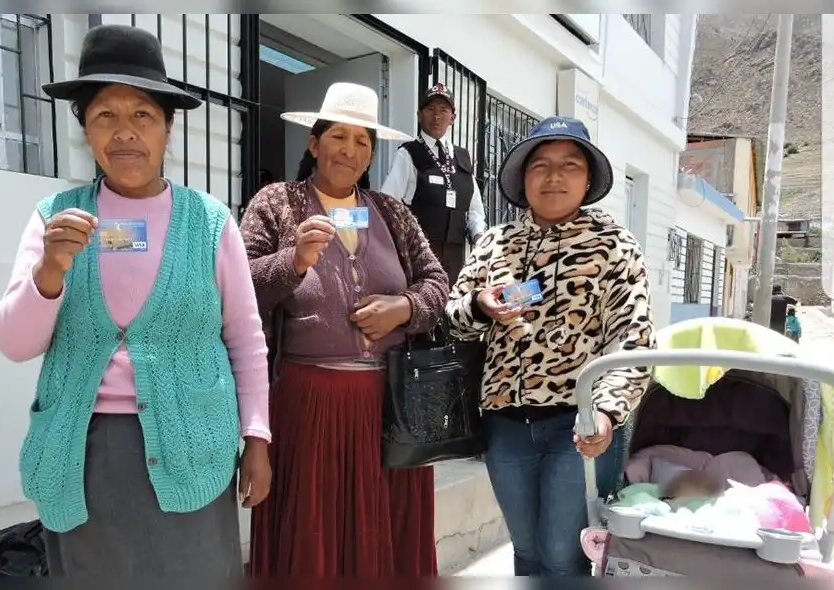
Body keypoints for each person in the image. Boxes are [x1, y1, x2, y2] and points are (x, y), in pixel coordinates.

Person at [0, 25, 271, 577]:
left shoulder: (210, 222)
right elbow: (11, 342)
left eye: (141, 115)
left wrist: (255, 436)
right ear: (86, 132)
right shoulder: (53, 219)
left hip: (193, 446)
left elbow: (244, 336)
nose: (124, 134)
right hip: (85, 452)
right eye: (104, 117)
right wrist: (50, 272)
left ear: (167, 127)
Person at [240, 82, 449, 577]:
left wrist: (404, 307)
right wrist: (293, 261)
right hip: (307, 406)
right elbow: (239, 284)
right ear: (314, 144)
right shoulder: (277, 203)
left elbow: (437, 281)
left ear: (372, 152)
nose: (349, 150)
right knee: (313, 536)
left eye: (361, 140)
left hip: (387, 408)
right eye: (338, 136)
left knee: (383, 537)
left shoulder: (392, 212)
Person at [446, 116, 656, 576]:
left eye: (569, 165)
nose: (554, 176)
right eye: (540, 165)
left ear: (588, 179)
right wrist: (480, 306)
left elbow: (634, 338)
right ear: (523, 178)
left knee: (564, 554)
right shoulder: (494, 243)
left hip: (578, 427)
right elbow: (453, 319)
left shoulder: (614, 246)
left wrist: (605, 412)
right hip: (504, 426)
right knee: (525, 550)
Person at [380, 83, 486, 284]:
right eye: (430, 109)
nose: (437, 116)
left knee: (450, 310)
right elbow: (388, 204)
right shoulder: (408, 154)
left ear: (453, 118)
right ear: (419, 115)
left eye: (443, 110)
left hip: (455, 261)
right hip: (420, 258)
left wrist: (479, 238)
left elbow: (475, 210)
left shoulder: (463, 158)